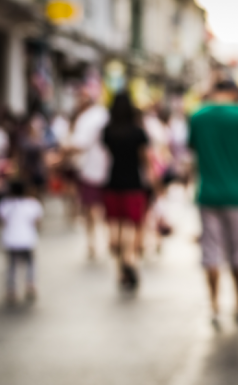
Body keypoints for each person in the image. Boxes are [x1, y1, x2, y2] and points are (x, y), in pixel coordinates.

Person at [189, 81, 238, 324]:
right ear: (233, 94)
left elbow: (191, 150)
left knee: (210, 250)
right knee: (237, 249)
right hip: (236, 192)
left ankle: (214, 304)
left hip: (207, 192)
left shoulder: (198, 117)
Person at [102, 92, 150, 291]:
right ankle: (129, 260)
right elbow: (144, 159)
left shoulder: (108, 132)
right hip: (133, 183)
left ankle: (119, 270)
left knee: (116, 224)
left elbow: (107, 154)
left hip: (113, 181)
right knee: (133, 224)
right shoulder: (138, 132)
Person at [68, 84, 109, 258]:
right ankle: (101, 241)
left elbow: (79, 144)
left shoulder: (87, 118)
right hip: (105, 170)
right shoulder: (103, 114)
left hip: (91, 171)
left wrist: (60, 152)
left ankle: (93, 242)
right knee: (97, 209)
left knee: (91, 209)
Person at [0, 180, 43, 304]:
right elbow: (37, 222)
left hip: (10, 240)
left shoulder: (5, 204)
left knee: (11, 265)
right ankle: (30, 285)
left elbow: (1, 221)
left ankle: (11, 290)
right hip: (27, 239)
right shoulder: (33, 204)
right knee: (30, 263)